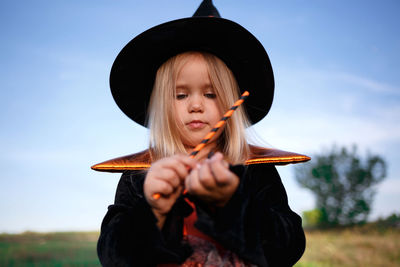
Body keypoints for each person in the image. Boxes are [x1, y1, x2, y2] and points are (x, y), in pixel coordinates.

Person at [93, 1, 310, 266]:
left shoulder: (253, 169)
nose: (196, 105)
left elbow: (289, 248)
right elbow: (112, 257)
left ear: (234, 102)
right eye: (181, 95)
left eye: (211, 94)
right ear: (161, 106)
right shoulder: (140, 175)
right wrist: (152, 210)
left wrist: (232, 204)